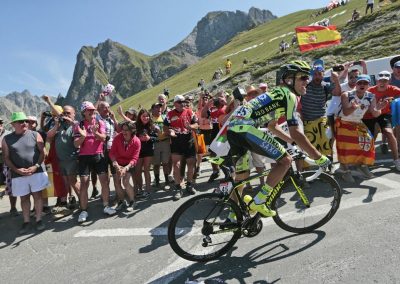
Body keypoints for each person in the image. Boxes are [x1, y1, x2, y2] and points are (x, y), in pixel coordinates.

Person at [225, 61, 331, 217]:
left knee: (242, 176)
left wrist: (292, 143)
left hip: (233, 129)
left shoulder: (278, 94)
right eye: (302, 77)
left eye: (307, 77)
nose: (306, 81)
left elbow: (273, 126)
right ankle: (259, 201)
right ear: (290, 79)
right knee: (286, 161)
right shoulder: (290, 96)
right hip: (245, 128)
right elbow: (296, 132)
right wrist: (318, 157)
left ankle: (232, 216)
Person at [2, 112, 49, 234]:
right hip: (18, 174)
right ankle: (26, 221)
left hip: (36, 172)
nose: (25, 123)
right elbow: (6, 158)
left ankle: (39, 220)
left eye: (26, 121)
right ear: (13, 124)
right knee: (24, 198)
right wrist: (16, 170)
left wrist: (36, 166)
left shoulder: (35, 134)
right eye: (21, 121)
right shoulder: (6, 139)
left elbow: (43, 152)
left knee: (38, 196)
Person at [336, 75, 387, 181]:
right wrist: (353, 108)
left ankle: (362, 165)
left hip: (358, 122)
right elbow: (345, 112)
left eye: (365, 83)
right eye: (360, 83)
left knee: (369, 140)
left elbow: (375, 114)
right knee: (346, 146)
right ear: (356, 84)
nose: (362, 85)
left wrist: (379, 108)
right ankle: (345, 170)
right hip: (344, 122)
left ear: (369, 85)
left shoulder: (371, 96)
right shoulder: (347, 95)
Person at [74, 101, 116, 223]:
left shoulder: (100, 122)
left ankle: (106, 206)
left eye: (93, 110)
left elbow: (104, 138)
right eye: (89, 110)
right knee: (84, 183)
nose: (92, 112)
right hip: (84, 157)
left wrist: (95, 132)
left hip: (98, 155)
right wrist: (83, 136)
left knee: (104, 181)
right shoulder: (79, 125)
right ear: (84, 112)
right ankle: (84, 210)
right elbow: (75, 144)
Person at [301, 64, 341, 171]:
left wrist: (336, 80)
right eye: (315, 74)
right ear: (312, 75)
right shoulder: (306, 86)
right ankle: (309, 169)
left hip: (322, 119)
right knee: (309, 145)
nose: (317, 77)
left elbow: (337, 92)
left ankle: (329, 165)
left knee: (327, 143)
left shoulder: (325, 86)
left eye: (319, 74)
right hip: (307, 121)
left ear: (323, 75)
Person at [363, 71, 400, 171]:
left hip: (384, 114)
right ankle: (365, 160)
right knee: (370, 137)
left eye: (385, 81)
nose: (382, 83)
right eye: (380, 80)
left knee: (389, 133)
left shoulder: (393, 89)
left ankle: (396, 160)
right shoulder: (370, 91)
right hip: (368, 116)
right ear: (377, 81)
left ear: (389, 81)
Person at [46, 105, 80, 213]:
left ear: (74, 114)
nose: (66, 115)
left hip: (71, 159)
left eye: (68, 113)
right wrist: (56, 125)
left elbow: (80, 135)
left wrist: (70, 121)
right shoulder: (60, 125)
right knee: (66, 182)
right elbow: (49, 135)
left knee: (73, 181)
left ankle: (83, 202)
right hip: (61, 160)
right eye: (64, 113)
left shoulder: (75, 125)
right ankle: (72, 200)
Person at [164, 95, 198, 200]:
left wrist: (190, 127)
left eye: (183, 101)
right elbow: (165, 127)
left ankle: (189, 185)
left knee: (191, 164)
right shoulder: (169, 114)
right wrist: (170, 131)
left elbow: (197, 124)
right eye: (179, 102)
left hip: (188, 140)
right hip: (176, 141)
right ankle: (178, 188)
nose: (182, 103)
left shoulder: (189, 111)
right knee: (176, 164)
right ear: (175, 103)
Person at [109, 121, 141, 211]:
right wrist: (115, 164)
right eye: (123, 130)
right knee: (117, 182)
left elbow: (135, 158)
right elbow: (112, 153)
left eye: (126, 130)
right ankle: (121, 201)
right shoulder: (117, 138)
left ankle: (132, 201)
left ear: (132, 131)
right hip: (118, 162)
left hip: (129, 164)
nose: (124, 132)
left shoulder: (137, 141)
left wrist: (126, 167)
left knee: (125, 181)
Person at [135, 109, 158, 199]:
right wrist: (138, 139)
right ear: (140, 117)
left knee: (147, 170)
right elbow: (131, 138)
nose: (146, 118)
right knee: (137, 171)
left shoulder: (152, 126)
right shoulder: (135, 126)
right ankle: (140, 189)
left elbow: (156, 138)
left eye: (147, 116)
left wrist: (149, 138)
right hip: (138, 151)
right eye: (143, 116)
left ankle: (148, 190)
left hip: (148, 150)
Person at [151, 103, 171, 188]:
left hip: (165, 142)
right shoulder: (150, 119)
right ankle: (157, 182)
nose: (159, 109)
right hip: (155, 143)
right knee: (156, 164)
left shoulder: (165, 117)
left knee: (165, 163)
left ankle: (167, 181)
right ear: (152, 110)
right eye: (156, 107)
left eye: (159, 107)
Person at [0, 118, 17, 216]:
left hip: (7, 165)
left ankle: (13, 208)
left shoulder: (9, 134)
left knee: (11, 187)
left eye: (0, 123)